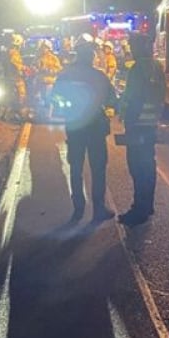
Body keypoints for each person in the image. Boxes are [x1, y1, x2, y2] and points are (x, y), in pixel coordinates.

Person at [51, 36, 117, 222]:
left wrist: (69, 109)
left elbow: (55, 99)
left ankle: (78, 208)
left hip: (75, 128)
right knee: (98, 168)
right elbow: (112, 100)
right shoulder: (99, 76)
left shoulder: (65, 75)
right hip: (96, 128)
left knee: (76, 167)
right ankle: (98, 209)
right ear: (91, 56)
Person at [118, 33, 166, 225]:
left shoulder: (137, 68)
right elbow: (161, 94)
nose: (131, 49)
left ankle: (139, 210)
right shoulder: (157, 67)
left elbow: (131, 96)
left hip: (137, 125)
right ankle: (148, 205)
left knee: (137, 167)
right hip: (150, 124)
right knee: (148, 165)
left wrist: (124, 113)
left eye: (133, 45)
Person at [4, 33, 28, 121]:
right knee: (20, 95)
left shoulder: (10, 51)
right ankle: (15, 114)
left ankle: (11, 114)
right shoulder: (14, 53)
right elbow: (16, 64)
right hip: (15, 78)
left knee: (13, 95)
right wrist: (25, 68)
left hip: (11, 77)